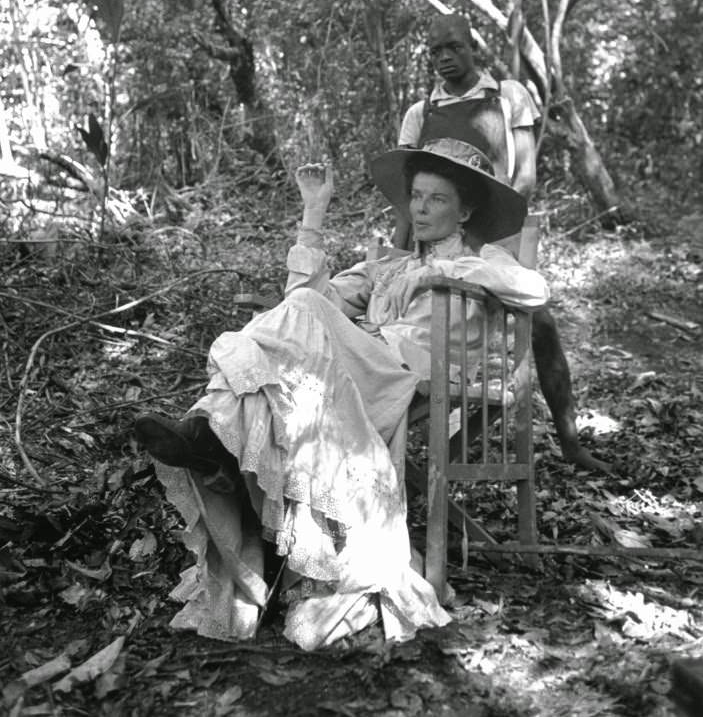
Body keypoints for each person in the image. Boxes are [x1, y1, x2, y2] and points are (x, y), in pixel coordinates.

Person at [135, 138, 549, 650]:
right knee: (302, 318)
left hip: (408, 373)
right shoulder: (387, 268)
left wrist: (436, 273)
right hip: (358, 369)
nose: (419, 208)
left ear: (465, 209)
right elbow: (302, 303)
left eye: (436, 199)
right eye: (416, 196)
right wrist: (314, 211)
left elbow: (535, 291)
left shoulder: (481, 263)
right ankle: (212, 434)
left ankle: (213, 429)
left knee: (301, 322)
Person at [395, 14, 610, 474]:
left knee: (542, 326)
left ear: (472, 46)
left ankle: (571, 443)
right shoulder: (421, 113)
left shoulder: (508, 95)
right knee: (405, 309)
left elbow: (525, 176)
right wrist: (401, 256)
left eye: (453, 47)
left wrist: (486, 235)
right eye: (435, 52)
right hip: (440, 239)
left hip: (496, 232)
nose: (445, 59)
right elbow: (408, 194)